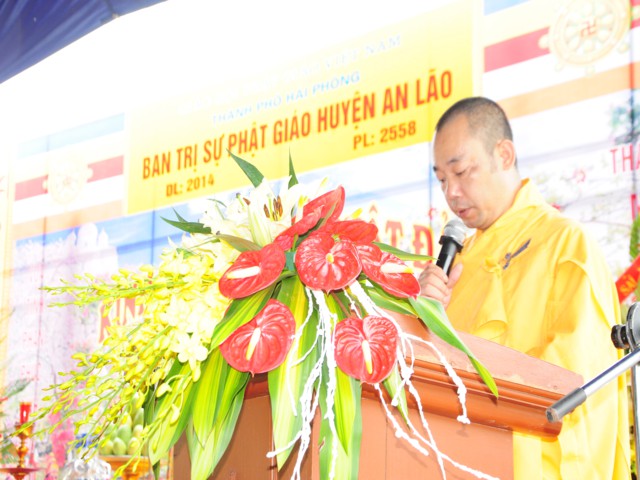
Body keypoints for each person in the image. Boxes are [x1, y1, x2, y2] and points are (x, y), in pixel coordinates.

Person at [418, 96, 630, 479]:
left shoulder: (565, 244)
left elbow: (577, 386)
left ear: (504, 154)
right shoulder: (456, 268)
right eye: (442, 180)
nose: (451, 193)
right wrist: (423, 316)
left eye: (461, 171)